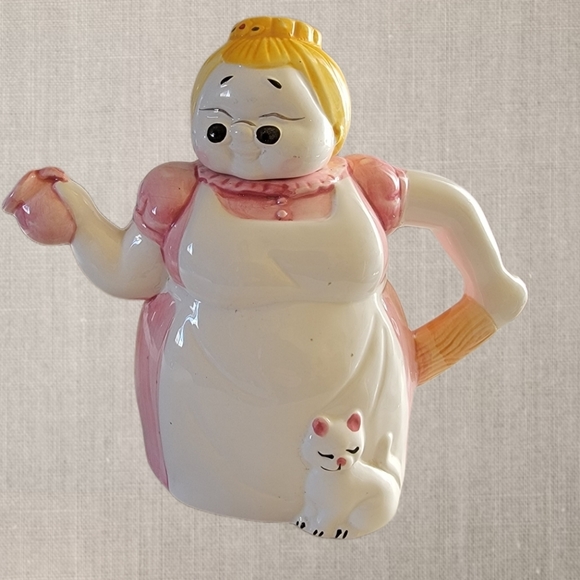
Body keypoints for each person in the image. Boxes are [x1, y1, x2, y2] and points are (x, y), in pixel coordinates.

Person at [3, 16, 526, 538]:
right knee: (215, 487)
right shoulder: (177, 194)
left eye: (270, 129)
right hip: (208, 408)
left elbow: (452, 206)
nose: (242, 142)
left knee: (355, 494)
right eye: (217, 127)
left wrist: (488, 290)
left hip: (354, 396)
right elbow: (128, 272)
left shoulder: (366, 186)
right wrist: (77, 221)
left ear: (333, 123)